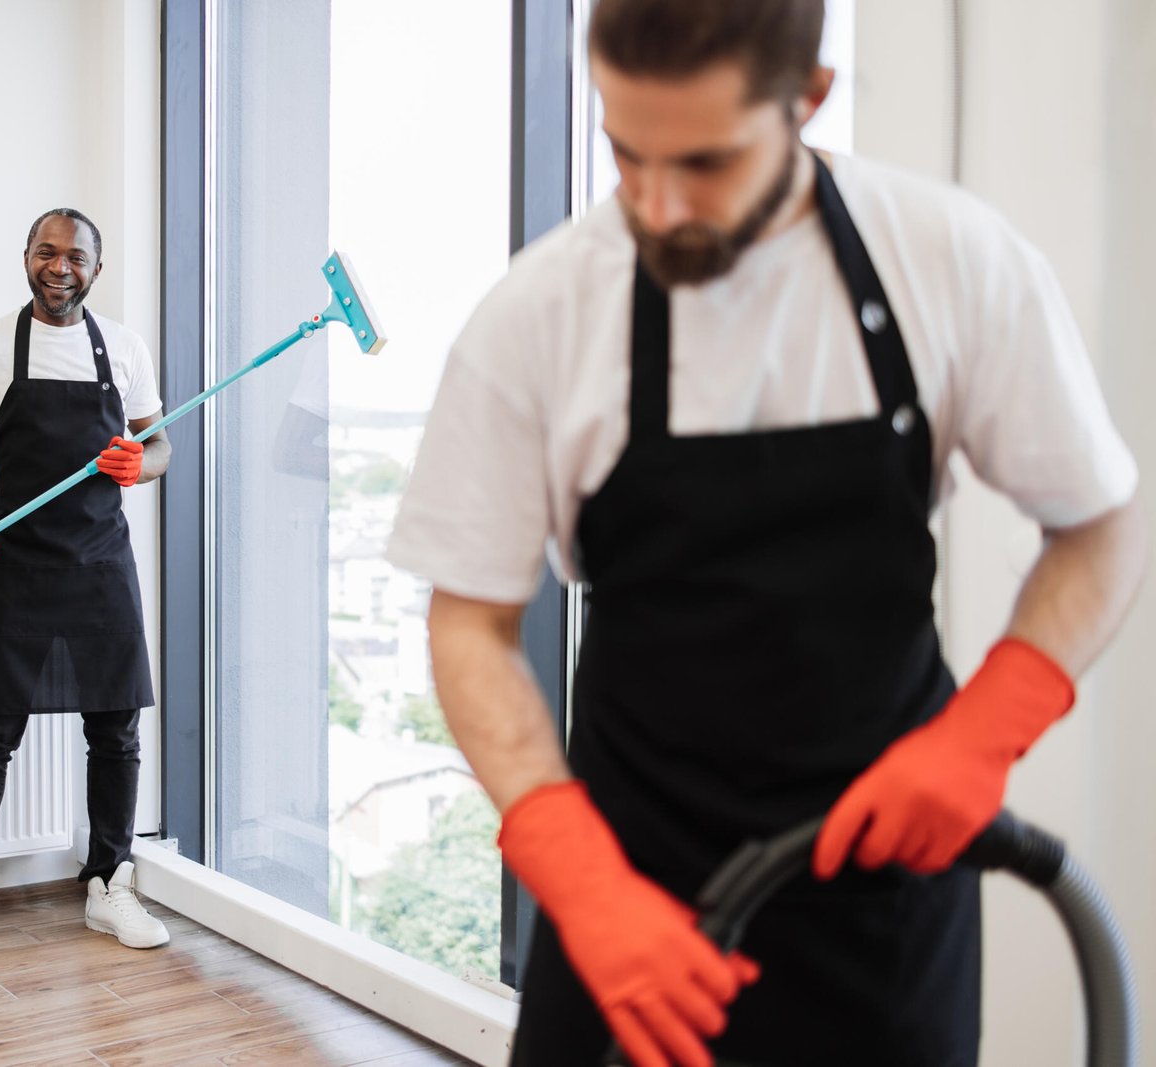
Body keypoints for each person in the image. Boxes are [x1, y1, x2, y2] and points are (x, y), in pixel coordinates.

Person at [386, 2, 1146, 1064]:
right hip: (630, 880)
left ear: (808, 100)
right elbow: (471, 620)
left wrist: (987, 729)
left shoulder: (948, 258)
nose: (653, 203)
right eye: (622, 150)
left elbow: (1099, 525)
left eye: (702, 161)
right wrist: (570, 863)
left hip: (885, 884)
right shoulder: (542, 312)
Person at [0, 208, 172, 972]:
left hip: (102, 564)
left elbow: (160, 442)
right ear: (26, 257)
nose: (60, 267)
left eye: (76, 256)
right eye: (46, 252)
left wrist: (138, 465)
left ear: (97, 268)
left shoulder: (124, 345)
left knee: (116, 731)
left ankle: (109, 881)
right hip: (19, 563)